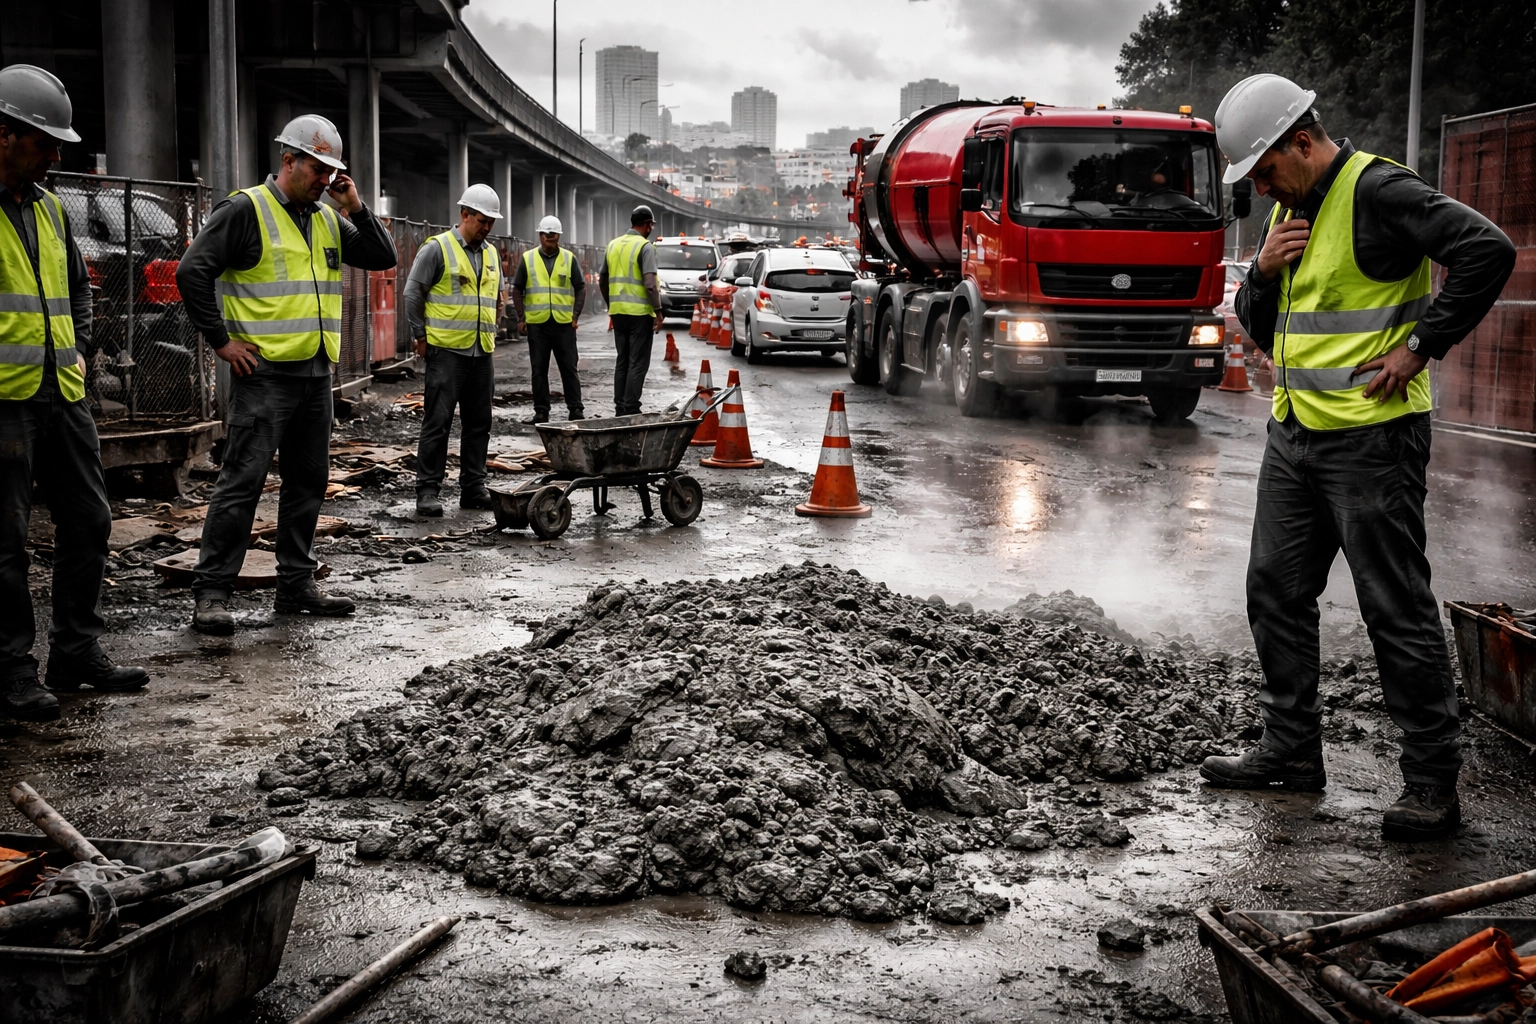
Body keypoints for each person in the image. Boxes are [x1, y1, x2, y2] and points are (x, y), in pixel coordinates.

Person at [1200, 74, 1516, 841]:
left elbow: (1487, 250)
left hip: (1373, 441)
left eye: (1267, 169)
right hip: (1296, 431)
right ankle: (1290, 752)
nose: (1264, 186)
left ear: (1302, 141)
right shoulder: (1291, 208)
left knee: (1394, 608)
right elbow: (1258, 320)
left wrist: (1420, 346)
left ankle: (1432, 785)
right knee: (1273, 589)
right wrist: (1264, 274)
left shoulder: (1379, 192)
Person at [176, 114, 398, 635]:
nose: (324, 180)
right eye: (317, 170)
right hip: (266, 375)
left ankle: (295, 586)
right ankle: (212, 592)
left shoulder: (326, 218)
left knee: (308, 483)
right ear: (288, 160)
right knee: (242, 482)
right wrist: (221, 342)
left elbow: (380, 256)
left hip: (315, 374)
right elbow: (193, 271)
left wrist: (356, 206)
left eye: (330, 172)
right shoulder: (246, 209)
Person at [0, 64, 148, 718]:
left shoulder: (50, 210)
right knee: (4, 545)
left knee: (90, 521)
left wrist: (83, 351)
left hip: (62, 395)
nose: (57, 154)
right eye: (43, 141)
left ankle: (75, 652)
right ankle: (9, 671)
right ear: (4, 134)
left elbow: (81, 290)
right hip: (4, 403)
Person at [404, 185, 504, 517]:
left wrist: (493, 327)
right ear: (464, 214)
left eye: (491, 221)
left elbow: (497, 297)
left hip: (481, 352)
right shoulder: (438, 249)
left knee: (479, 423)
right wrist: (420, 336)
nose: (486, 227)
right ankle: (428, 491)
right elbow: (412, 294)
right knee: (438, 422)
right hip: (446, 352)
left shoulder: (491, 253)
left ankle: (473, 487)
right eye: (481, 220)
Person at [511, 215, 585, 425]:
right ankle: (541, 411)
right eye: (546, 237)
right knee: (539, 370)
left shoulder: (569, 259)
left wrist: (575, 315)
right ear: (540, 235)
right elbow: (517, 288)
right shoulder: (528, 259)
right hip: (538, 324)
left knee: (569, 368)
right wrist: (521, 317)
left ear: (558, 237)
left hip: (563, 324)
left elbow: (580, 287)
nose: (549, 241)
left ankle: (575, 409)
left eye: (553, 238)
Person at [599, 205, 663, 415]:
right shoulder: (645, 247)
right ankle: (631, 408)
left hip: (618, 312)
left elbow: (603, 279)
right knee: (637, 363)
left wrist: (611, 304)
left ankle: (620, 406)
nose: (651, 229)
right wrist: (658, 311)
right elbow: (650, 284)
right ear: (646, 225)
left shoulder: (613, 245)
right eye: (651, 225)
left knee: (623, 360)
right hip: (639, 314)